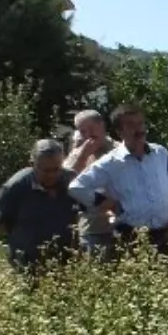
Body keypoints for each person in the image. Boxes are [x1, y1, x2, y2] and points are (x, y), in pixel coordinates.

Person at [68, 104, 168, 256]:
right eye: (131, 125)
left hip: (166, 235)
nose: (138, 129)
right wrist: (107, 203)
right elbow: (76, 187)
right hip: (131, 239)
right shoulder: (111, 162)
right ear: (119, 132)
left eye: (140, 123)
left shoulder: (160, 153)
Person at [0, 140, 79, 274]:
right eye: (46, 171)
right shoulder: (15, 187)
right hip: (28, 262)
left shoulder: (72, 179)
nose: (52, 175)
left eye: (56, 169)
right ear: (32, 164)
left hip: (67, 259)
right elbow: (2, 223)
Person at [64, 109, 116, 260]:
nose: (88, 135)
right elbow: (65, 180)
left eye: (91, 129)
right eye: (82, 131)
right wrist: (83, 155)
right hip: (91, 224)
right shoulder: (79, 152)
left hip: (119, 223)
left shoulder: (118, 149)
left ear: (102, 126)